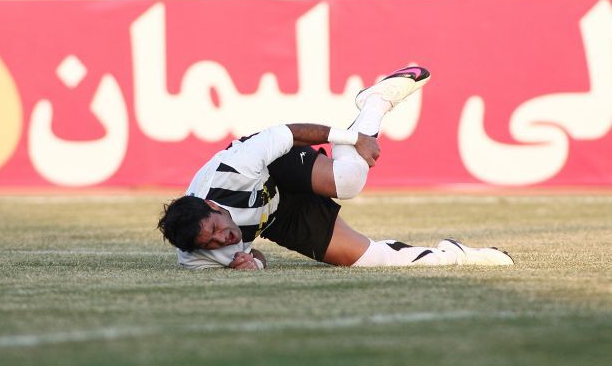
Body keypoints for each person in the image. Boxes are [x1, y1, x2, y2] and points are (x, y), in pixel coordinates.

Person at [157, 66, 514, 270]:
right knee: (369, 260)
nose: (223, 239)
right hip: (279, 214)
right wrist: (255, 266)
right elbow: (249, 255)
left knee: (349, 181)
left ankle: (374, 103)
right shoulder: (195, 253)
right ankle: (459, 254)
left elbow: (289, 133)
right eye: (211, 242)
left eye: (216, 228)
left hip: (273, 169)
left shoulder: (234, 169)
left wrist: (356, 139)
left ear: (213, 205)